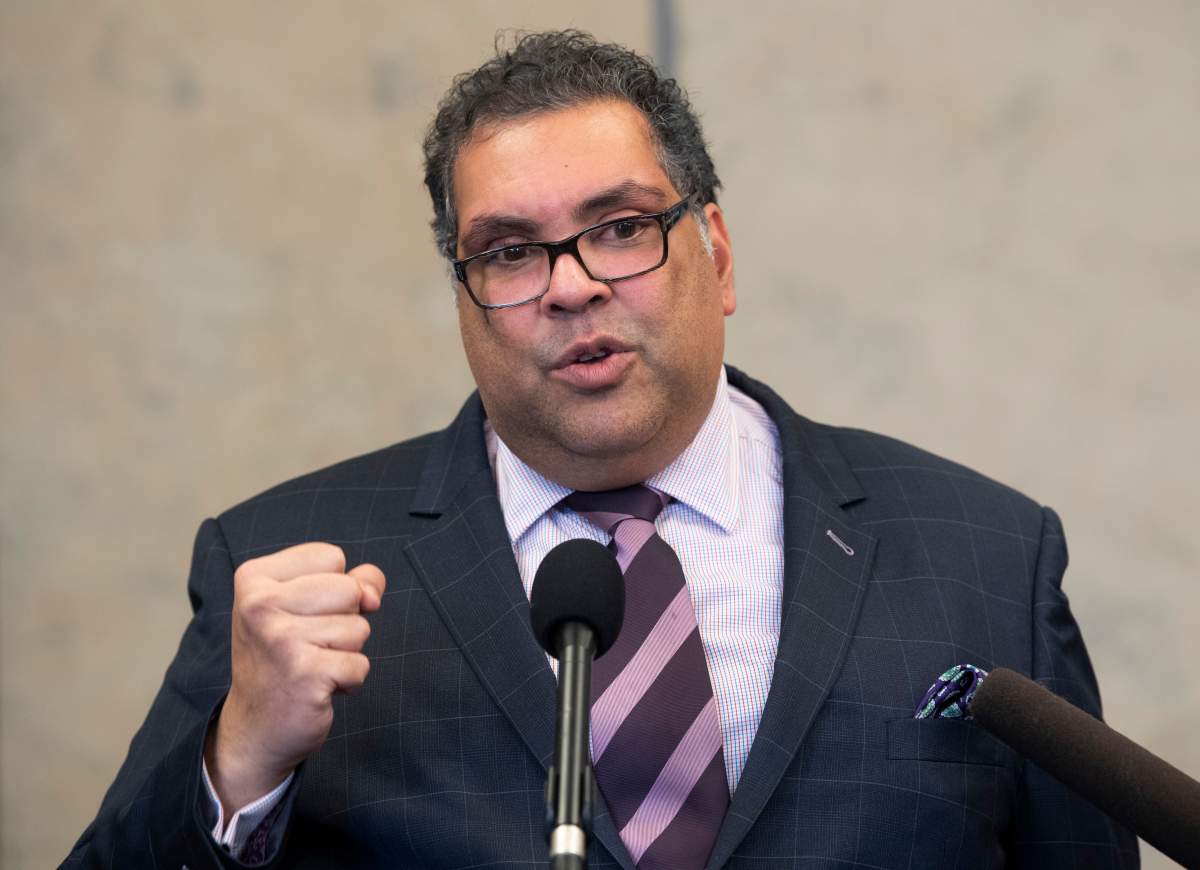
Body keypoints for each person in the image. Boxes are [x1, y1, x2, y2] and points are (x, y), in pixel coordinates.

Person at [64, 30, 1138, 869]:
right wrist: (237, 761)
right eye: (512, 250)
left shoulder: (986, 557)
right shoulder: (290, 560)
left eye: (621, 227)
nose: (571, 284)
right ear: (466, 300)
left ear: (713, 253)